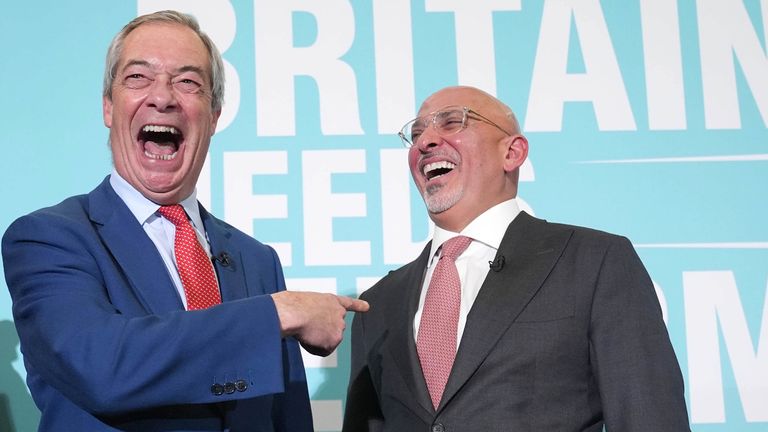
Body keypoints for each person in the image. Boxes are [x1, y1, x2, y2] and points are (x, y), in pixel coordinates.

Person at [2, 10, 368, 431]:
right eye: (138, 77)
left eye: (188, 82)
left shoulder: (256, 260)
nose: (163, 97)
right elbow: (99, 366)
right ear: (108, 107)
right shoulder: (47, 239)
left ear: (214, 116)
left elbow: (287, 419)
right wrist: (276, 313)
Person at [343, 86, 690, 431]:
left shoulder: (594, 262)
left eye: (451, 122)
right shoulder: (378, 304)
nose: (425, 141)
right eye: (416, 133)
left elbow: (649, 417)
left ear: (512, 152)